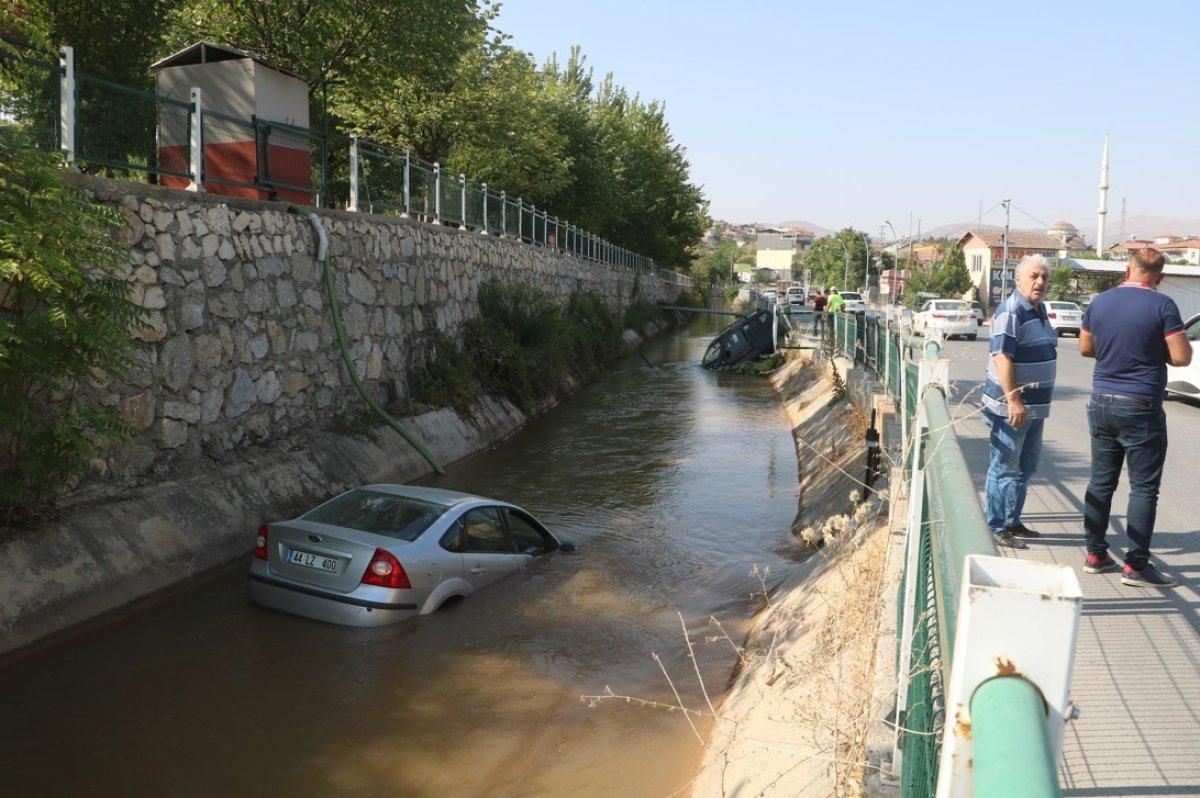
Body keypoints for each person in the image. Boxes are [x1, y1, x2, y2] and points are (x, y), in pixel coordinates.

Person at [1078, 248, 1193, 587]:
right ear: (1160, 276)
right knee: (1143, 488)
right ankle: (1136, 566)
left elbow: (1085, 348)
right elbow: (1182, 357)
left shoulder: (1100, 302)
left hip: (1102, 400)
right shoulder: (1163, 305)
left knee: (1101, 482)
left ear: (1127, 270)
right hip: (1140, 405)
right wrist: (1150, 350)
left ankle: (1095, 555)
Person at [981, 255, 1057, 550]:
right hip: (1013, 409)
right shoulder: (1011, 310)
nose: (1040, 282)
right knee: (1004, 467)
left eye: (1044, 277)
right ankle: (995, 526)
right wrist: (1014, 400)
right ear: (1018, 280)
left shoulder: (1039, 309)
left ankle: (1013, 520)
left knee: (1026, 468)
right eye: (1034, 276)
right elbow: (1002, 357)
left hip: (1035, 409)